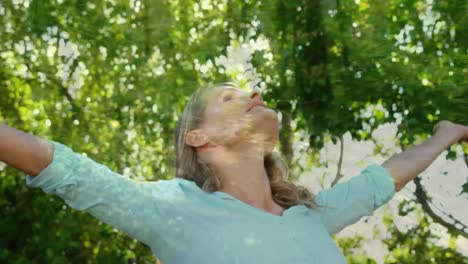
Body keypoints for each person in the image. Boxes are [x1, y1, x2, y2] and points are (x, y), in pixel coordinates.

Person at [1, 82, 467, 263]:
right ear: (198, 139)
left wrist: (447, 134)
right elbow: (61, 168)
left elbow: (384, 179)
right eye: (229, 97)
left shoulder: (309, 215)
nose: (255, 92)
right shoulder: (175, 210)